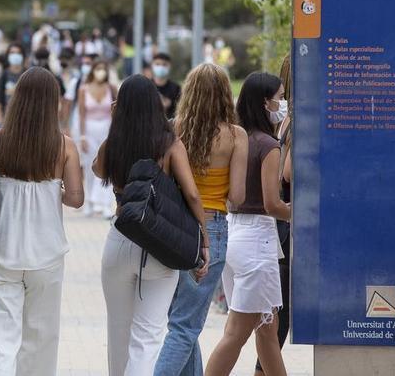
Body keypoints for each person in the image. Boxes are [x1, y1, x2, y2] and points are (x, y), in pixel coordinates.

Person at [0, 67, 84, 376]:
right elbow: (76, 198)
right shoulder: (63, 145)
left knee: (1, 338)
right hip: (47, 254)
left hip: (0, 250)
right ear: (52, 102)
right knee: (41, 338)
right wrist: (49, 191)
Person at [92, 75, 208, 376]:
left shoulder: (115, 142)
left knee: (118, 335)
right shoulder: (169, 143)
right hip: (158, 243)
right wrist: (203, 240)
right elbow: (193, 194)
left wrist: (116, 124)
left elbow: (97, 168)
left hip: (120, 239)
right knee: (147, 338)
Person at [155, 64, 248, 376]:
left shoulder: (174, 129)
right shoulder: (236, 136)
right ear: (225, 95)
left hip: (175, 228)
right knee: (185, 326)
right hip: (213, 229)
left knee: (183, 319)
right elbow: (237, 196)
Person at [204, 72, 291, 376]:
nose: (283, 103)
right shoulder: (269, 145)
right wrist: (304, 215)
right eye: (280, 97)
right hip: (258, 242)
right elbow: (272, 204)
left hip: (233, 234)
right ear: (266, 102)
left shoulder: (237, 138)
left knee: (268, 330)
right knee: (237, 333)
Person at [254, 56, 292, 376]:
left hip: (273, 232)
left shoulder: (279, 123)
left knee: (270, 322)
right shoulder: (291, 124)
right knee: (273, 321)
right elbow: (287, 175)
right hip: (282, 230)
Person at [78, 59, 117, 218]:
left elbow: (117, 109)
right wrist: (82, 136)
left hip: (107, 129)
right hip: (89, 130)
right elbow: (81, 114)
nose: (101, 72)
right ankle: (89, 202)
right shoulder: (83, 89)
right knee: (89, 166)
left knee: (107, 166)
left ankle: (106, 204)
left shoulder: (111, 88)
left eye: (103, 69)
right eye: (98, 68)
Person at [0, 43, 26, 114]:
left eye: (18, 53)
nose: (15, 55)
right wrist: (1, 122)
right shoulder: (4, 75)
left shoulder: (28, 74)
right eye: (12, 53)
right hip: (7, 115)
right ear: (8, 56)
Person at [152, 53, 181, 119]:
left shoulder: (176, 88)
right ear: (152, 65)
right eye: (157, 64)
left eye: (164, 64)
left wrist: (170, 104)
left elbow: (180, 110)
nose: (161, 67)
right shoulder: (147, 87)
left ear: (169, 66)